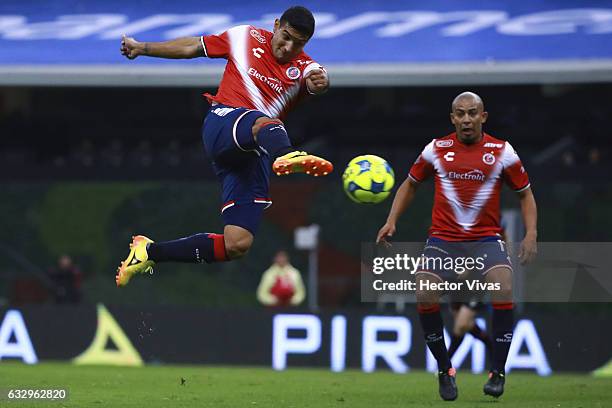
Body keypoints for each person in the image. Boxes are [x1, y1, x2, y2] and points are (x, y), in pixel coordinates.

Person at [115, 6, 332, 287]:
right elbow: (194, 45)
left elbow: (319, 80)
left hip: (252, 154)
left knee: (237, 244)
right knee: (265, 122)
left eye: (298, 43)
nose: (288, 47)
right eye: (286, 36)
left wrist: (323, 82)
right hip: (223, 123)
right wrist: (142, 47)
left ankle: (149, 252)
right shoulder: (245, 36)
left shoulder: (305, 68)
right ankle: (287, 155)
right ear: (276, 25)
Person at [376, 92, 537, 401]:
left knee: (503, 287)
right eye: (460, 114)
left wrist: (531, 234)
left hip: (485, 240)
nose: (466, 119)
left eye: (472, 113)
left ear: (483, 117)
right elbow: (410, 184)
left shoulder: (502, 151)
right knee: (423, 290)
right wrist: (392, 219)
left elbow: (525, 194)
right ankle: (444, 369)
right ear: (452, 118)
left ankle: (498, 371)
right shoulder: (436, 149)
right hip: (443, 241)